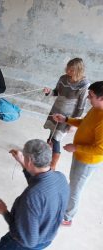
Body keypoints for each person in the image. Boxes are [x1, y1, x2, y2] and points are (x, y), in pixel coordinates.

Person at [0, 139, 69, 250]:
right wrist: (22, 162)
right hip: (47, 238)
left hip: (21, 245)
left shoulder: (31, 198)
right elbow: (39, 184)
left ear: (29, 161)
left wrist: (4, 212)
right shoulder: (60, 177)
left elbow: (29, 241)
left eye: (24, 157)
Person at [53, 81, 103, 226]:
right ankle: (66, 208)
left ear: (101, 98)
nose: (88, 98)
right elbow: (84, 123)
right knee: (73, 183)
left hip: (88, 161)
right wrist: (66, 119)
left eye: (91, 95)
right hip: (80, 155)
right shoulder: (95, 109)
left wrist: (76, 147)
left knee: (76, 189)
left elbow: (100, 149)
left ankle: (67, 217)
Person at [43, 58, 90, 170]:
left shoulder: (84, 84)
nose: (68, 72)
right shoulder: (63, 78)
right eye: (67, 69)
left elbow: (81, 106)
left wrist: (73, 123)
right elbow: (56, 92)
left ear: (78, 70)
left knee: (56, 138)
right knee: (51, 135)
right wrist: (49, 92)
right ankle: (46, 158)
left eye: (71, 70)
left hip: (67, 117)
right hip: (56, 110)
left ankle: (53, 166)